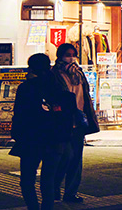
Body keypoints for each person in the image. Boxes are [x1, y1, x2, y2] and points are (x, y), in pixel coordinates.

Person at [12, 53, 75, 210]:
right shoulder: (58, 85)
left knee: (27, 179)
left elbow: (19, 114)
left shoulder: (26, 88)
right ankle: (47, 207)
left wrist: (17, 136)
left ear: (31, 68)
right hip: (55, 139)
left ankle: (33, 207)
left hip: (31, 139)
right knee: (48, 179)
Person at [53, 42, 98, 203]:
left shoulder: (78, 73)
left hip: (79, 121)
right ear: (60, 55)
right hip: (62, 122)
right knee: (64, 157)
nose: (71, 57)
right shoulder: (55, 74)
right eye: (67, 54)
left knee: (76, 158)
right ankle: (54, 188)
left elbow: (84, 95)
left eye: (73, 54)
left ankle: (71, 192)